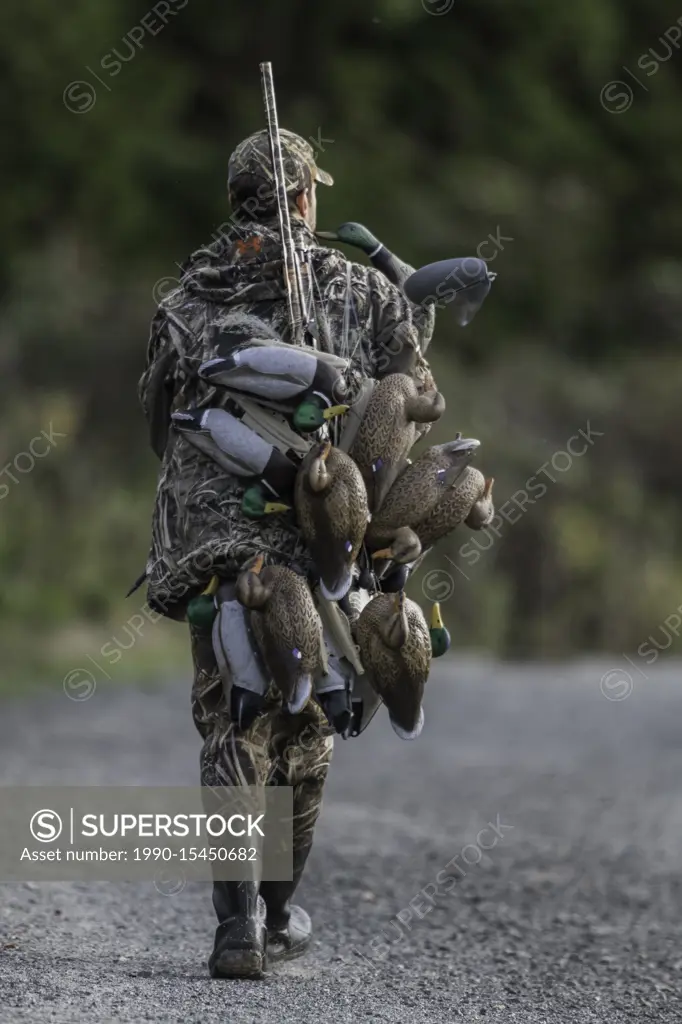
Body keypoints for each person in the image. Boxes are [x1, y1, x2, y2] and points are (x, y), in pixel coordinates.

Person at [138, 128, 435, 977]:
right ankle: (275, 908)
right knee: (307, 731)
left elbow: (158, 421)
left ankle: (234, 926)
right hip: (323, 534)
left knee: (234, 717)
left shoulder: (184, 298)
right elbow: (409, 402)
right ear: (307, 199)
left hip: (215, 541)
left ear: (236, 201)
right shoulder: (366, 290)